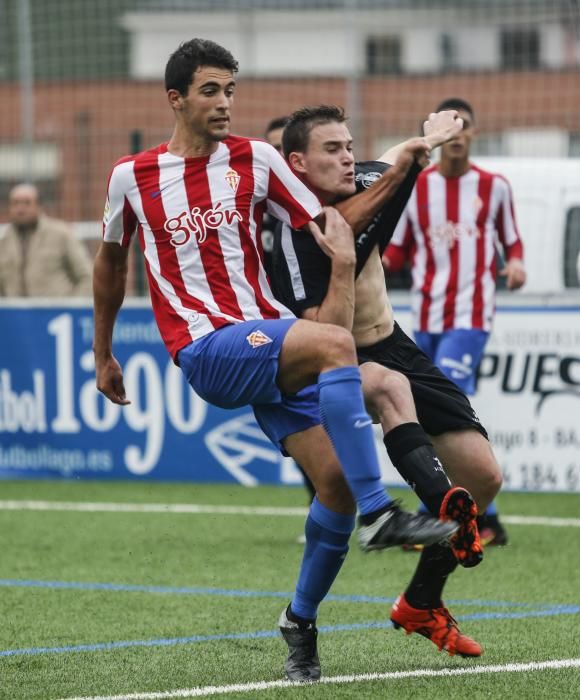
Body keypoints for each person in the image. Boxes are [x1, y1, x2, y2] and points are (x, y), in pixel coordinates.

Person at [92, 38, 456, 683]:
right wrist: (103, 351)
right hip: (205, 346)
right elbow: (111, 262)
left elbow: (329, 218)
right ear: (176, 98)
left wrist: (395, 171)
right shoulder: (132, 176)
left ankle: (300, 621)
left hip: (266, 339)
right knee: (335, 345)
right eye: (211, 90)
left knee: (333, 488)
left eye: (231, 89)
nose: (225, 102)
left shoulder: (256, 160)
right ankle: (382, 514)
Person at [271, 104, 504, 659]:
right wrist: (412, 156)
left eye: (349, 144)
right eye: (334, 149)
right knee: (339, 489)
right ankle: (301, 619)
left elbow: (393, 163)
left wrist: (425, 140)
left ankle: (421, 601)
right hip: (326, 359)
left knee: (484, 475)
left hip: (391, 341)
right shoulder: (288, 237)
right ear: (296, 164)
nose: (349, 156)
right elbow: (325, 332)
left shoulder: (370, 179)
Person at [383, 97, 527, 547]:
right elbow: (397, 253)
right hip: (423, 317)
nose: (459, 136)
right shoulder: (418, 188)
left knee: (442, 408)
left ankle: (434, 514)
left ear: (473, 134)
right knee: (429, 414)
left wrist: (517, 267)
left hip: (470, 317)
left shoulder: (494, 186)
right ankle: (488, 517)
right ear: (441, 136)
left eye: (465, 127)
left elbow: (513, 242)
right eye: (452, 128)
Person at [264, 115, 317, 510]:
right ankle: (323, 500)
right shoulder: (246, 205)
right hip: (266, 327)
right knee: (300, 416)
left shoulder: (306, 213)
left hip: (306, 319)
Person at [0, 183, 92, 297]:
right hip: (15, 313)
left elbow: (87, 276)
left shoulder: (61, 234)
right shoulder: (3, 242)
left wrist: (72, 307)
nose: (20, 209)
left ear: (39, 206)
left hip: (57, 312)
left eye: (27, 203)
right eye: (15, 203)